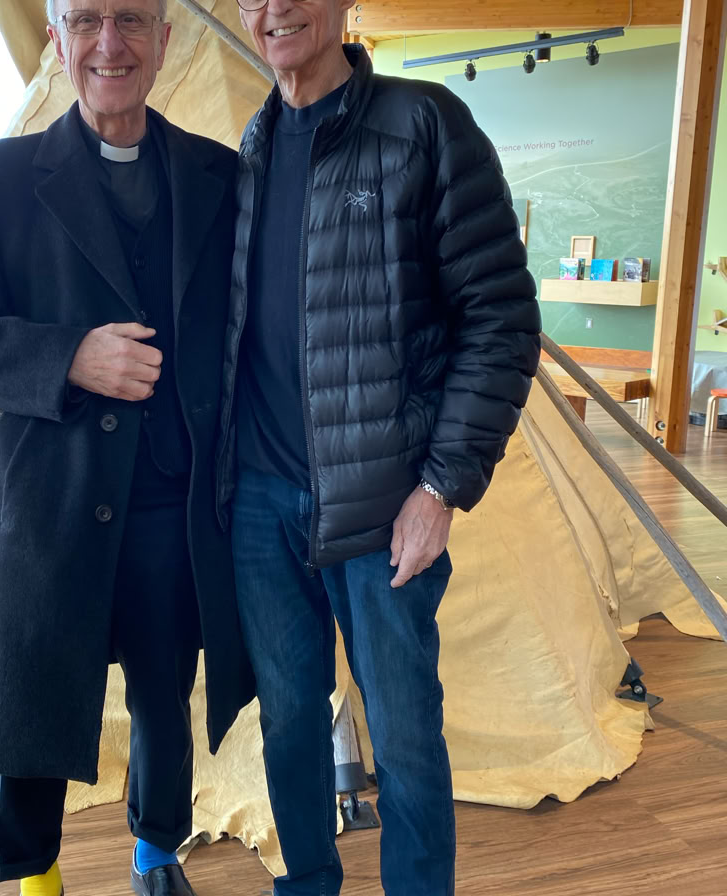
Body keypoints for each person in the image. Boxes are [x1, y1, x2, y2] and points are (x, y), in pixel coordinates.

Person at [0, 2, 252, 894]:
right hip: (51, 499)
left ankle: (156, 852)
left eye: (131, 19)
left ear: (164, 41)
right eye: (87, 19)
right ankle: (37, 875)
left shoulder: (219, 175)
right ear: (57, 39)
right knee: (35, 700)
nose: (110, 43)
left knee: (164, 698)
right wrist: (69, 357)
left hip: (172, 505)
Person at [218, 1, 542, 893]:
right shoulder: (248, 151)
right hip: (261, 504)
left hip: (386, 507)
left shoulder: (422, 125)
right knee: (287, 724)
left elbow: (502, 319)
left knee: (403, 737)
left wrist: (441, 486)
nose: (277, 7)